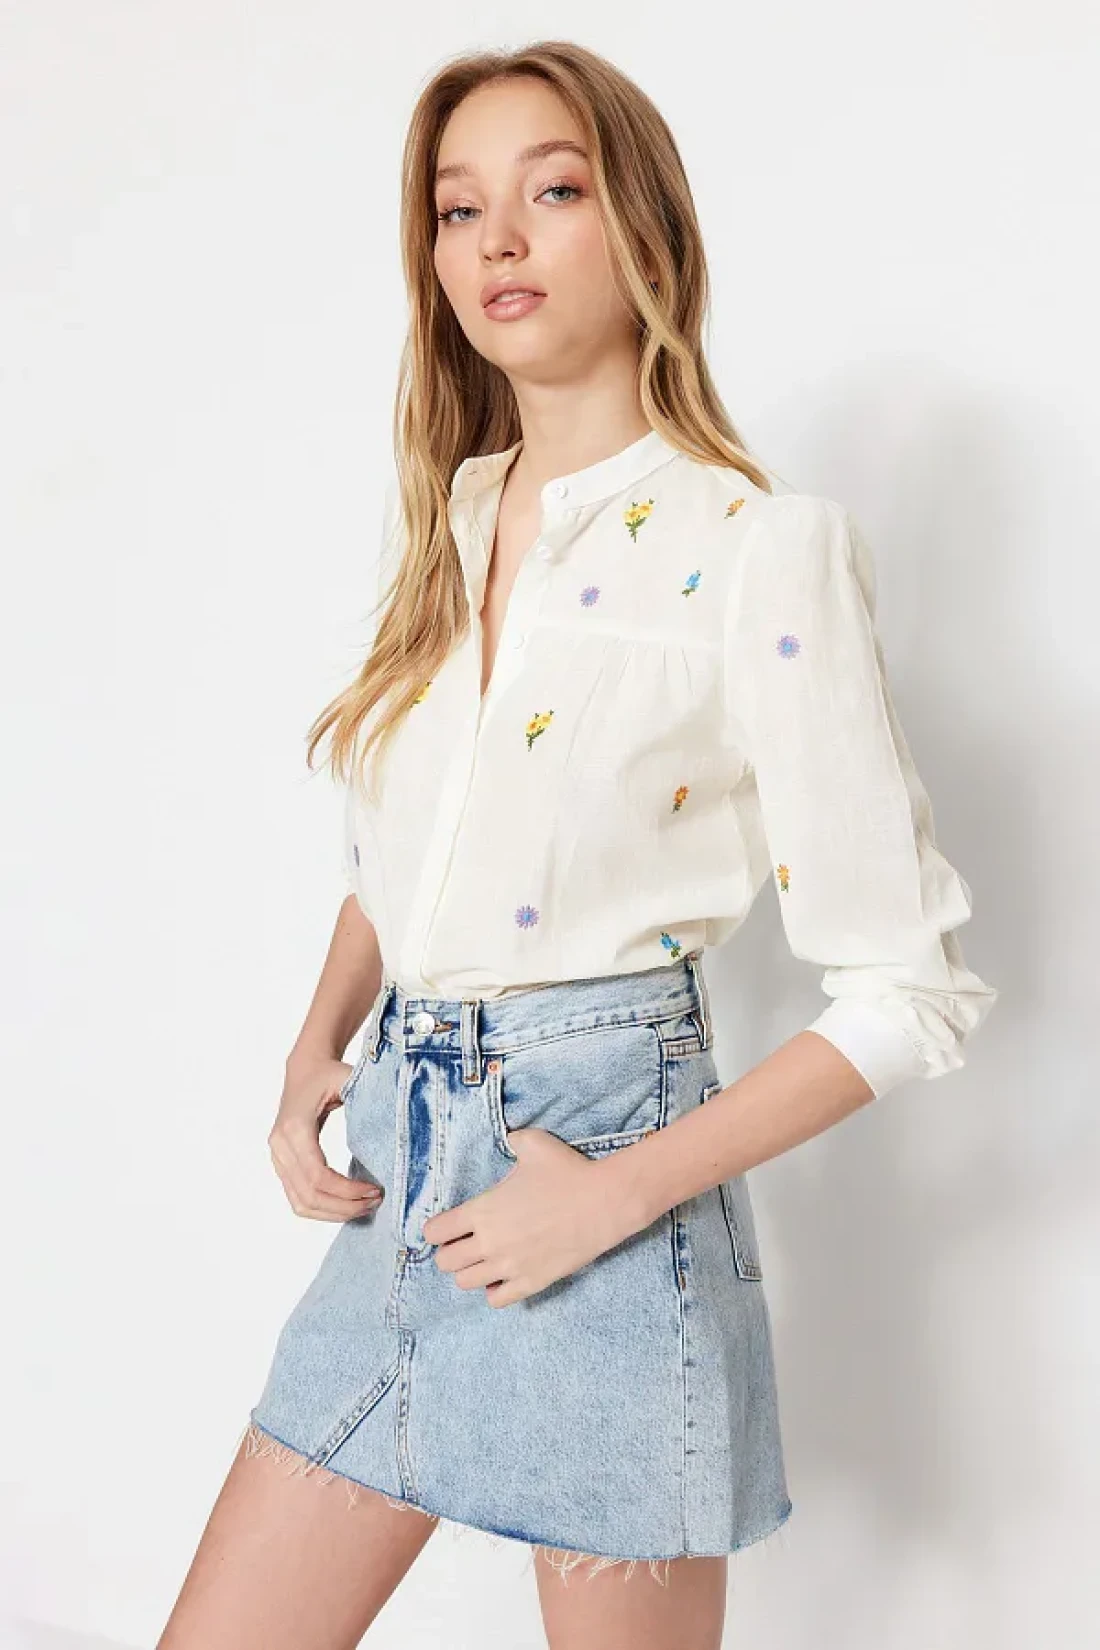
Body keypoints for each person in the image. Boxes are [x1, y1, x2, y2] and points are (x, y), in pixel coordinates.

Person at [157, 39, 998, 1650]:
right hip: (402, 1180)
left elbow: (910, 991)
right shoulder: (448, 521)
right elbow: (408, 856)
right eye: (456, 207)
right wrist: (316, 1040)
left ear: (645, 229)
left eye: (552, 190)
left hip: (606, 1184)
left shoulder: (758, 550)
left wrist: (610, 1201)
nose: (497, 239)